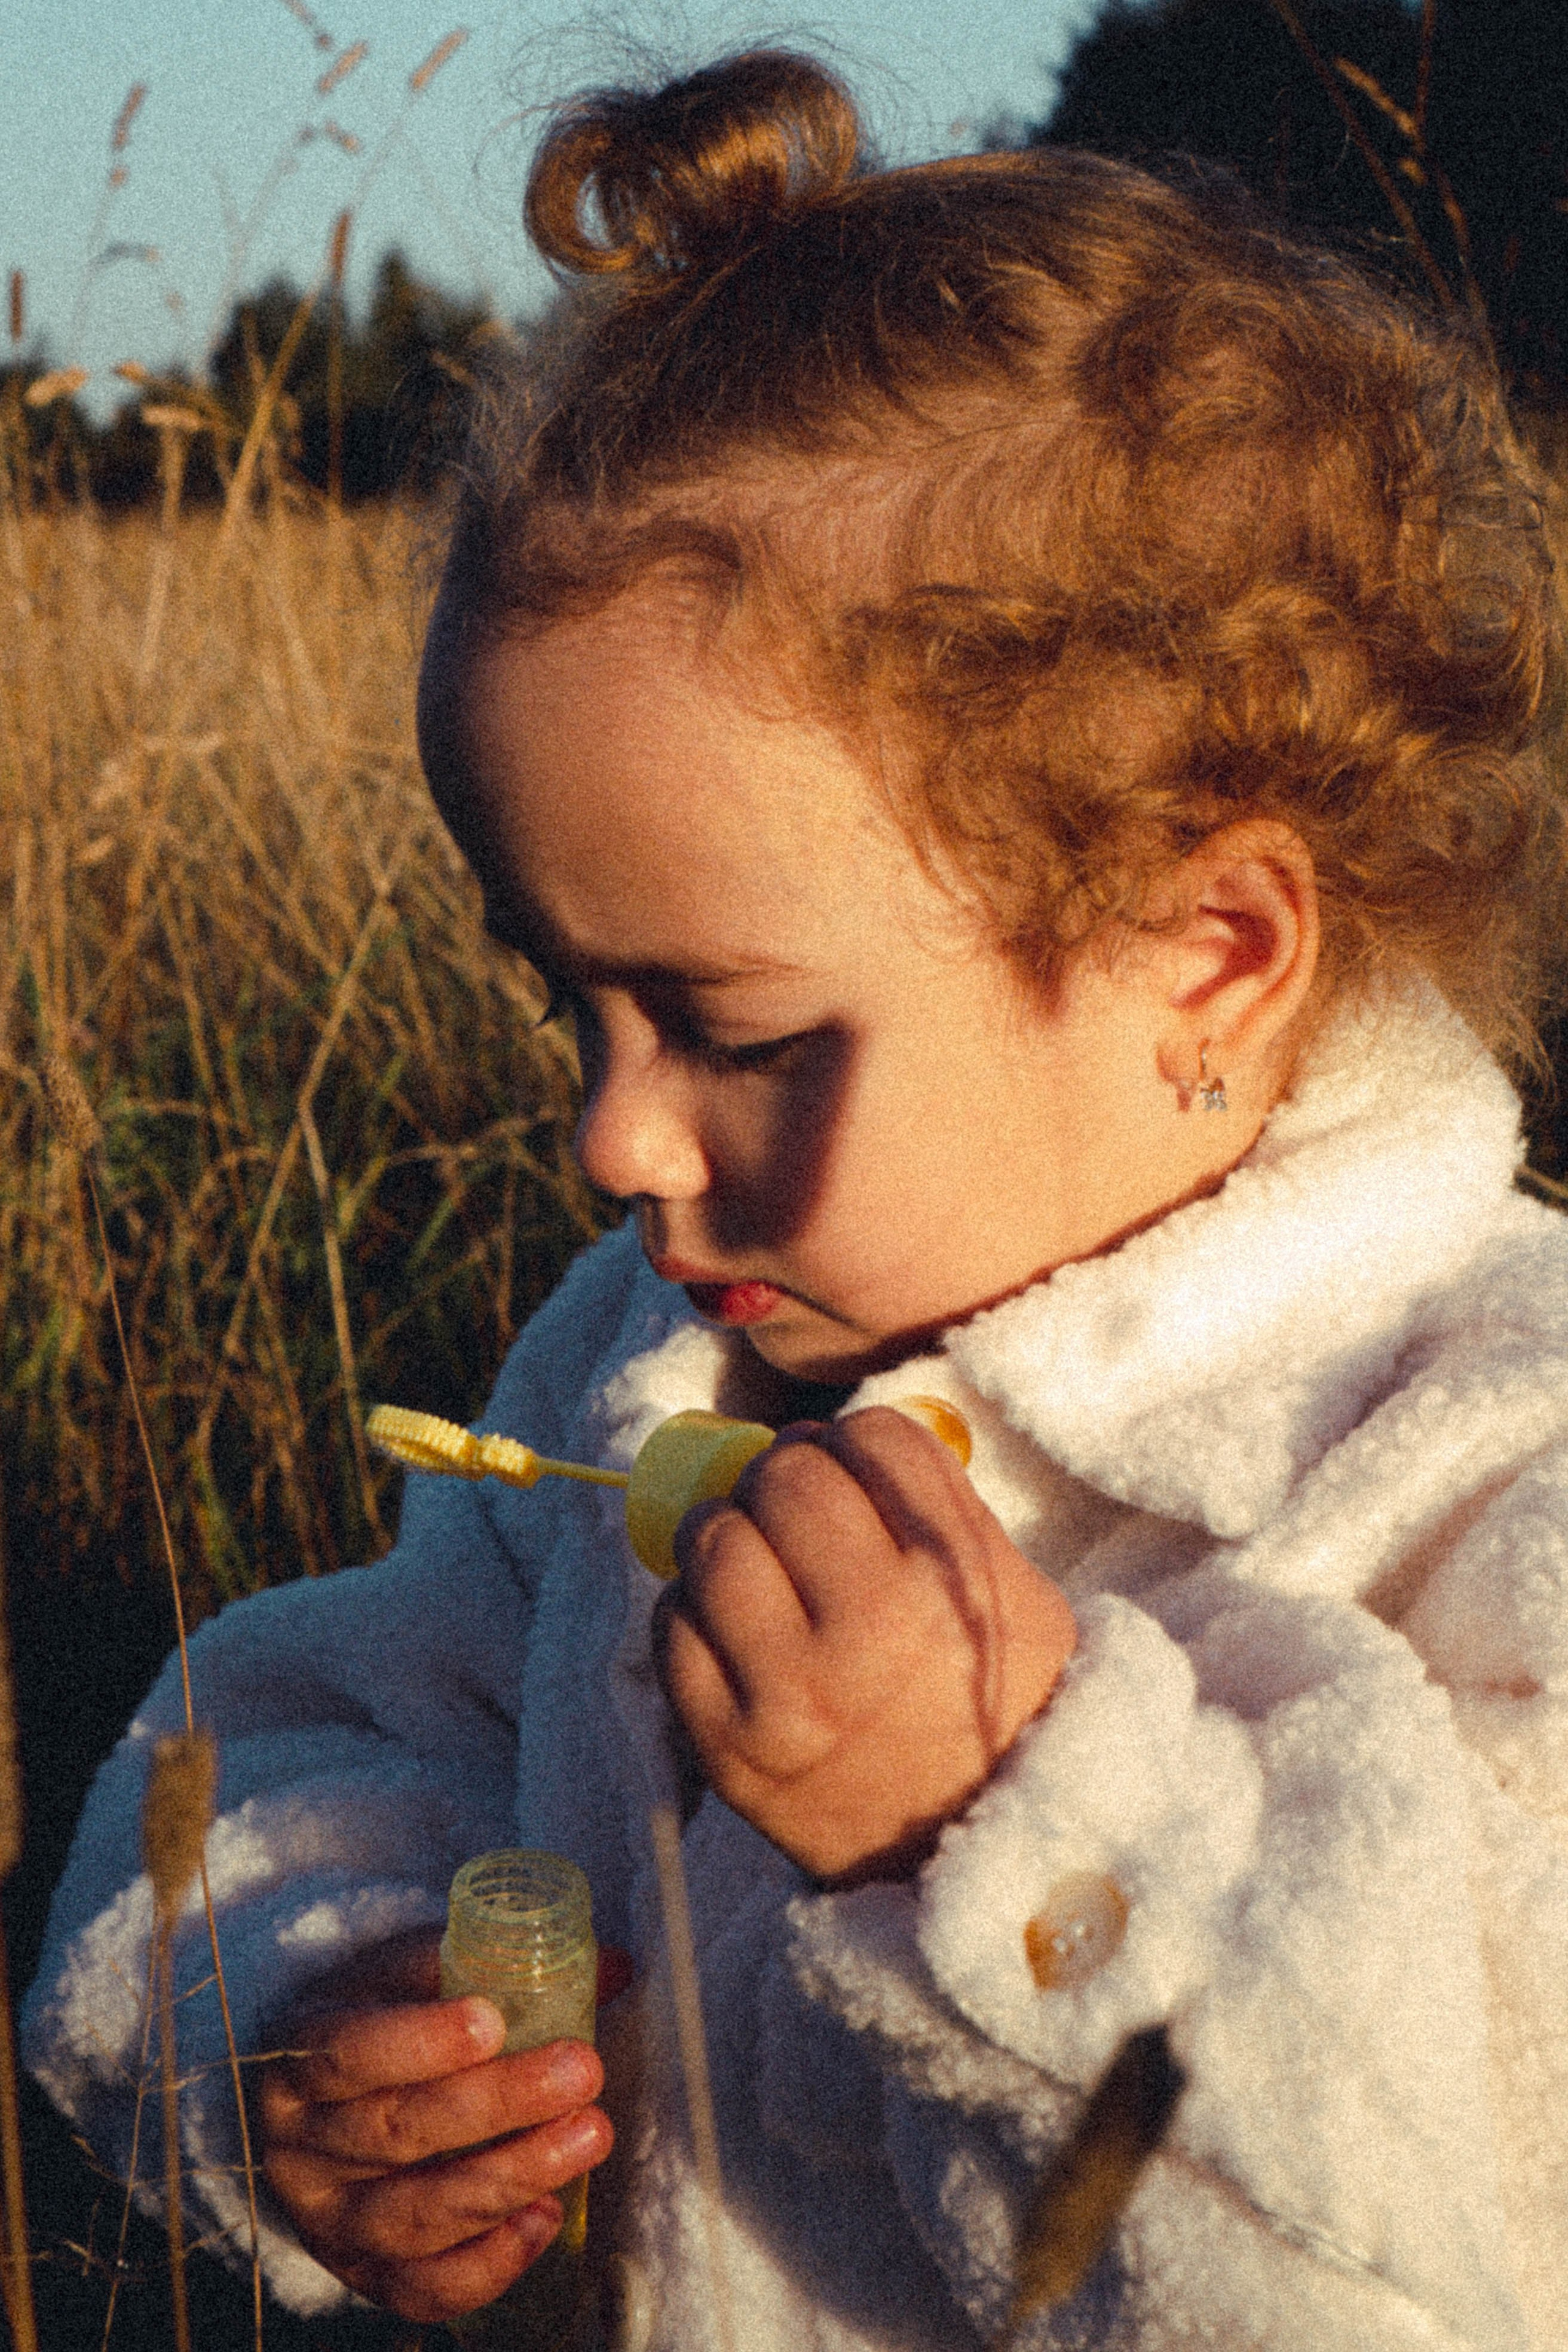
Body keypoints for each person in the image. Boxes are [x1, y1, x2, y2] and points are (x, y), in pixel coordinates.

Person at [26, 47, 1568, 2351]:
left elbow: (1453, 2257)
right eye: (574, 1010)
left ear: (1211, 955)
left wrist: (1003, 1828)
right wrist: (308, 2025)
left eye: (728, 1029)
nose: (611, 1140)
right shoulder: (647, 1367)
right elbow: (311, 1738)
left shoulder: (1482, 1468)